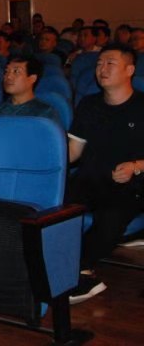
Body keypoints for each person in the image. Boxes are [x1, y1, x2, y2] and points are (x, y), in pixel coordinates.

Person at [66, 43, 144, 304]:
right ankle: (70, 270)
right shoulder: (89, 104)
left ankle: (80, 271)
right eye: (99, 64)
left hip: (131, 184)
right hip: (89, 180)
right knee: (54, 211)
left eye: (110, 63)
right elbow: (73, 151)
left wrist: (136, 166)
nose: (102, 69)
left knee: (109, 217)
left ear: (129, 70)